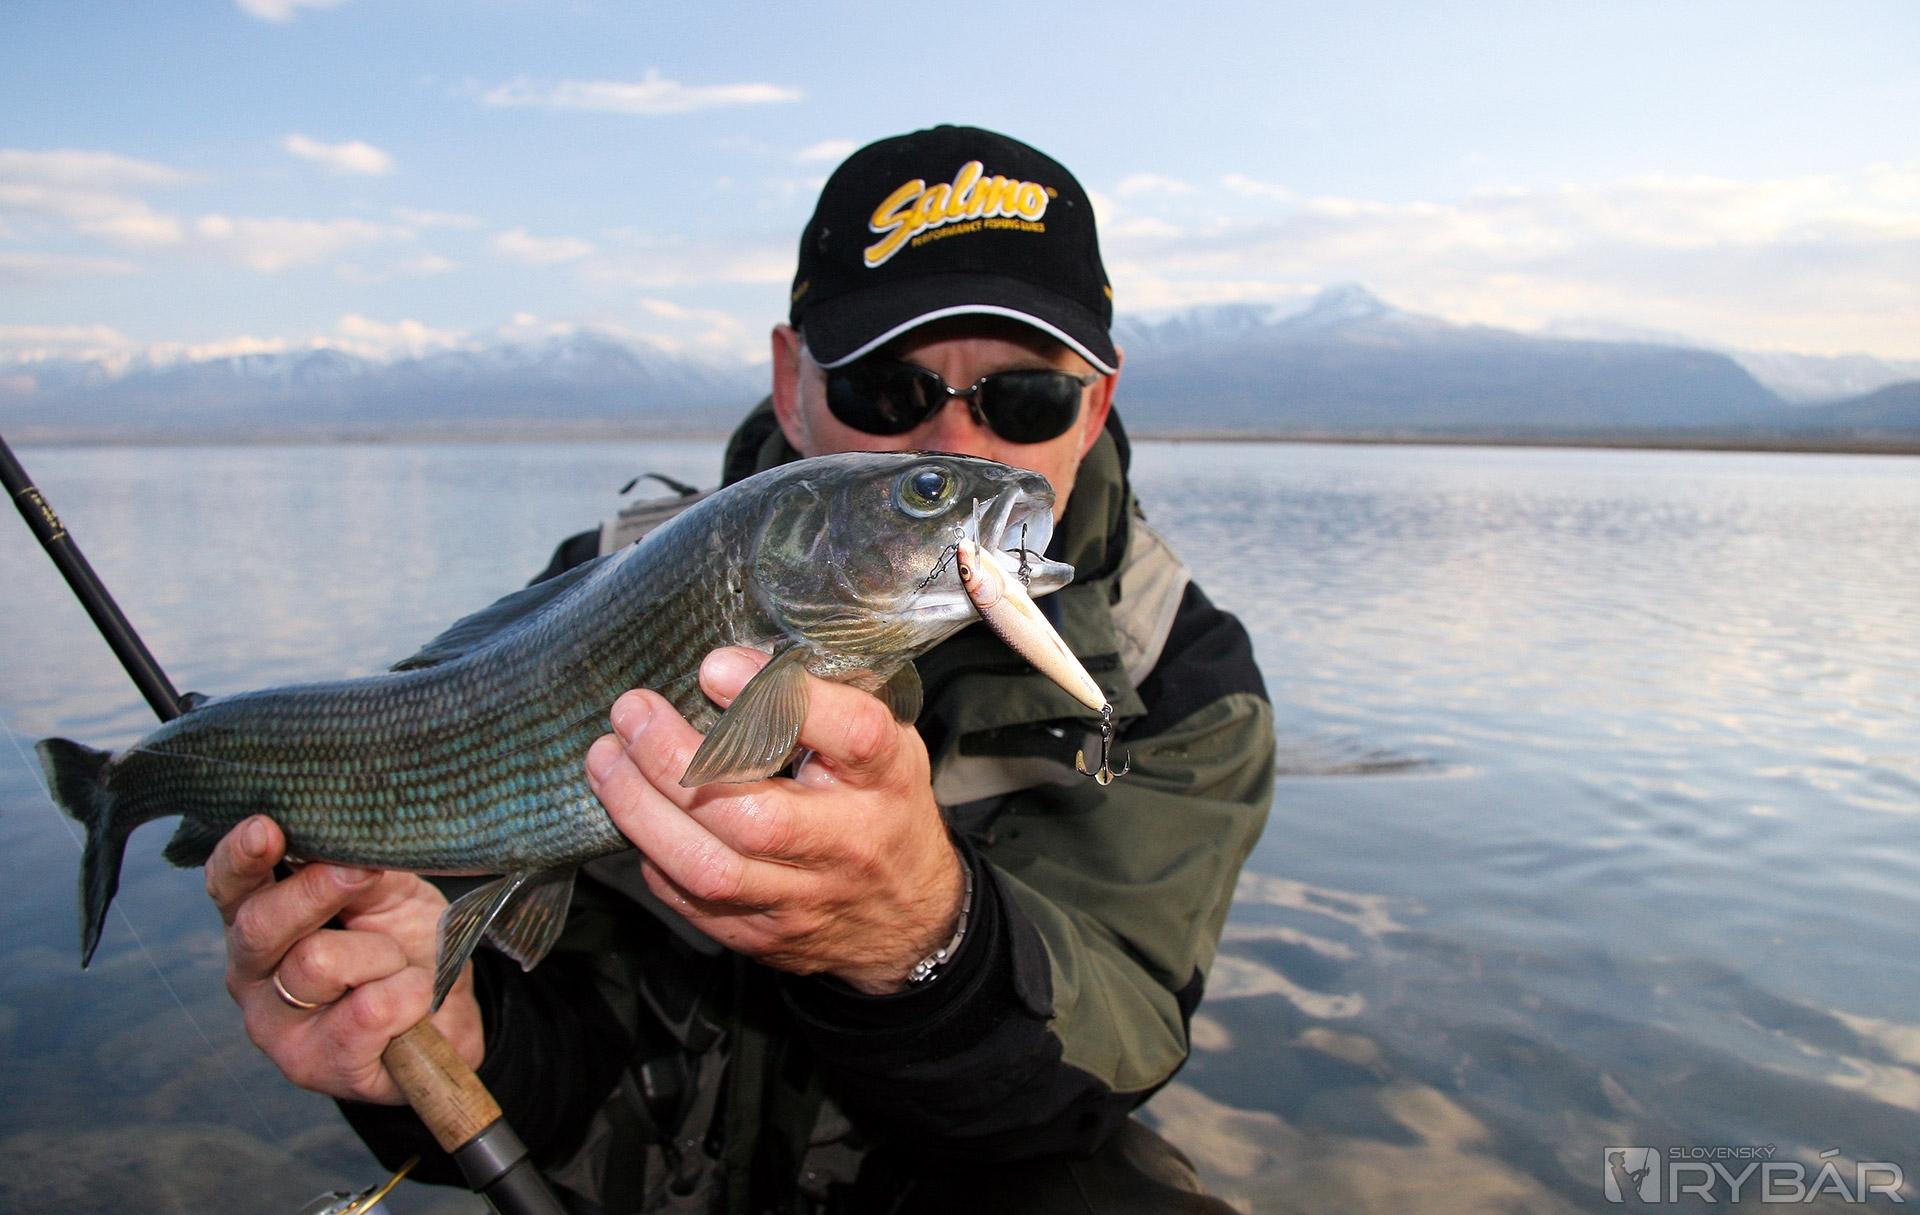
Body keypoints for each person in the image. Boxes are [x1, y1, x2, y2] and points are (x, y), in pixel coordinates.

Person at [203, 125, 1275, 1213]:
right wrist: (450, 1037)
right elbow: (552, 1033)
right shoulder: (590, 596)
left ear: (1095, 407)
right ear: (790, 382)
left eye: (1027, 398)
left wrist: (925, 938)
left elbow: (1107, 1060)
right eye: (887, 390)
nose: (956, 442)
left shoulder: (1182, 678)